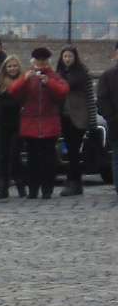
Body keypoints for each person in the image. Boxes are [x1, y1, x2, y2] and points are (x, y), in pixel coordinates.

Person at [7, 47, 68, 199]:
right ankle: (33, 189)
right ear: (34, 61)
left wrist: (49, 83)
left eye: (43, 61)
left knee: (48, 160)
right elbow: (12, 91)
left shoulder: (54, 76)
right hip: (30, 125)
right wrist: (24, 80)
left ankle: (47, 189)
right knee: (32, 159)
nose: (41, 63)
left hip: (49, 124)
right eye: (38, 61)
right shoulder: (27, 76)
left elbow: (63, 91)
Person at [56, 46, 93, 196]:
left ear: (75, 57)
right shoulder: (58, 73)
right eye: (65, 56)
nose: (67, 59)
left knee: (73, 149)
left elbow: (90, 97)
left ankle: (72, 181)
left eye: (70, 56)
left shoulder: (82, 73)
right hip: (63, 115)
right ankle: (75, 182)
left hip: (78, 115)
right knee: (71, 150)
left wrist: (92, 119)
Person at [0, 55, 27, 197]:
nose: (12, 69)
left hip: (19, 123)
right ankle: (2, 184)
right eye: (9, 66)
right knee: (3, 155)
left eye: (15, 66)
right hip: (3, 122)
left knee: (15, 154)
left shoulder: (24, 82)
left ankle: (20, 182)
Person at [97, 43, 118, 197]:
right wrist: (112, 119)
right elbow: (102, 100)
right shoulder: (108, 76)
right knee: (117, 158)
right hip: (116, 123)